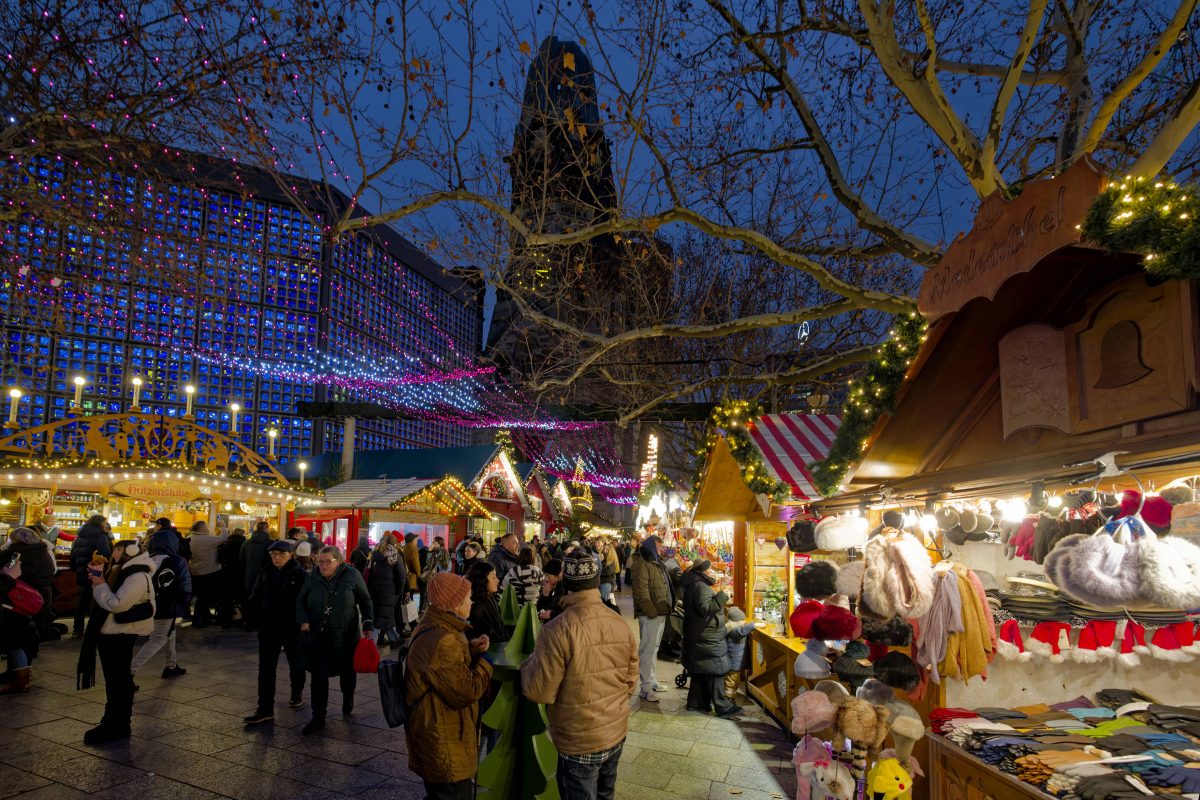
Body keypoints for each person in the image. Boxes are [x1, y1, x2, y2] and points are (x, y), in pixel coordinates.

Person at [522, 551, 639, 800]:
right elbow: (631, 676)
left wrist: (528, 664)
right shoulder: (618, 621)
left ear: (567, 584)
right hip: (615, 731)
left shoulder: (557, 629)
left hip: (578, 740)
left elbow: (538, 690)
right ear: (596, 582)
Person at [405, 572, 492, 800]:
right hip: (443, 735)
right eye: (467, 598)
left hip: (435, 727)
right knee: (453, 793)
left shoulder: (435, 625)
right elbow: (466, 691)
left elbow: (441, 669)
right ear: (454, 603)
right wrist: (485, 664)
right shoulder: (444, 639)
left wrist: (470, 651)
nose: (471, 602)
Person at [78, 539, 156, 743]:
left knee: (118, 681)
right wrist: (99, 578)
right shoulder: (120, 570)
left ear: (132, 551)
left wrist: (99, 583)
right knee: (117, 680)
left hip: (121, 632)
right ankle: (116, 722)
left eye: (120, 549)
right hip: (113, 631)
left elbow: (117, 604)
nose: (115, 553)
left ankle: (116, 724)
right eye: (115, 549)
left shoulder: (137, 576)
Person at [296, 545, 373, 735]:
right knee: (318, 676)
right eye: (319, 561)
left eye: (327, 562)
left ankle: (348, 699)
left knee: (348, 673)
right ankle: (318, 717)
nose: (322, 565)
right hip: (320, 636)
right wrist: (303, 619)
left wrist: (368, 623)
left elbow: (365, 600)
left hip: (346, 636)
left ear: (338, 562)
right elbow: (300, 601)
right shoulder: (312, 577)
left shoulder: (352, 575)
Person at [244, 540, 307, 724]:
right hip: (268, 627)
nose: (277, 558)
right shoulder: (265, 573)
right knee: (265, 669)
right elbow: (254, 597)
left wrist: (303, 622)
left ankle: (297, 692)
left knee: (296, 663)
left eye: (281, 554)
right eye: (274, 555)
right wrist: (254, 619)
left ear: (290, 555)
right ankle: (265, 709)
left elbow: (305, 600)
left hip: (292, 628)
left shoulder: (299, 574)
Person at [130, 526, 192, 684]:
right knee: (158, 638)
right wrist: (184, 604)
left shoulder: (146, 559)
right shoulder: (177, 561)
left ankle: (171, 665)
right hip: (166, 606)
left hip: (146, 604)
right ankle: (129, 672)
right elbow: (185, 586)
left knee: (168, 634)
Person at [680, 560, 738, 718]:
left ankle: (696, 703)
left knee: (700, 669)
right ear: (703, 572)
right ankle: (722, 705)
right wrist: (722, 596)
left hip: (699, 631)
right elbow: (705, 608)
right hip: (707, 633)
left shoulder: (693, 583)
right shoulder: (701, 586)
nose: (712, 571)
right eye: (709, 569)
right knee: (716, 669)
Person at [629, 534, 673, 701]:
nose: (661, 549)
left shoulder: (655, 562)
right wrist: (652, 612)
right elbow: (641, 592)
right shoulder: (642, 564)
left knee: (653, 648)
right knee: (647, 650)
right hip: (650, 615)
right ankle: (645, 687)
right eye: (658, 547)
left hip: (659, 612)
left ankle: (652, 681)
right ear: (651, 547)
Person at [1, 526, 56, 638]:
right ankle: (43, 635)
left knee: (25, 617)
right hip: (44, 588)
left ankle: (31, 641)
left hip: (24, 589)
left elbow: (10, 568)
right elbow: (52, 569)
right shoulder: (43, 550)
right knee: (42, 614)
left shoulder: (14, 553)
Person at [0, 557, 40, 694]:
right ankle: (20, 679)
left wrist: (8, 575)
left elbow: (9, 574)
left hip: (12, 607)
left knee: (16, 645)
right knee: (17, 645)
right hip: (15, 606)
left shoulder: (12, 554)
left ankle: (20, 680)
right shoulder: (14, 555)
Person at [69, 514, 112, 637]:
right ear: (100, 524)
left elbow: (72, 558)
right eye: (105, 522)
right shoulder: (101, 537)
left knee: (82, 602)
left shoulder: (79, 537)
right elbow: (104, 555)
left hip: (81, 573)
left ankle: (77, 629)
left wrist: (78, 570)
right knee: (97, 602)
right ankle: (93, 629)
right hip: (96, 573)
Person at [365, 533, 408, 646]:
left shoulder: (374, 554)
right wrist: (399, 591)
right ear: (394, 543)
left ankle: (392, 638)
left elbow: (367, 572)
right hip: (390, 592)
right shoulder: (395, 556)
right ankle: (371, 644)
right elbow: (402, 576)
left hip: (374, 591)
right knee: (383, 616)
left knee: (381, 615)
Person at [187, 520, 227, 628]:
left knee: (200, 596)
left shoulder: (189, 538)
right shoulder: (205, 539)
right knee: (204, 597)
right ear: (200, 529)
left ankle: (204, 617)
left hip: (194, 571)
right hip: (207, 572)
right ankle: (198, 620)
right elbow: (223, 538)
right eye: (206, 527)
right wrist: (223, 527)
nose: (208, 529)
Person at [464, 561, 508, 645]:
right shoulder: (474, 606)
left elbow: (500, 626)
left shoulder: (490, 597)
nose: (498, 580)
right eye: (493, 577)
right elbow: (486, 634)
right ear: (482, 580)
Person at [723, 605, 761, 701]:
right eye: (742, 620)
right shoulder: (733, 629)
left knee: (734, 680)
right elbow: (741, 632)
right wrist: (753, 625)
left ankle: (731, 696)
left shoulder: (732, 626)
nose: (744, 622)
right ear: (735, 621)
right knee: (732, 681)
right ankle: (728, 698)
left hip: (734, 660)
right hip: (733, 660)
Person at [240, 521, 272, 631]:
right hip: (266, 577)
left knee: (250, 599)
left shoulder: (247, 542)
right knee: (263, 600)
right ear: (267, 529)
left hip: (249, 575)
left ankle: (249, 623)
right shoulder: (270, 543)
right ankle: (260, 623)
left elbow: (241, 559)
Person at [217, 527, 246, 627]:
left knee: (226, 598)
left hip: (226, 573)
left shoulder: (225, 543)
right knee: (240, 597)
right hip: (240, 573)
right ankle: (240, 619)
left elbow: (220, 558)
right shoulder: (244, 543)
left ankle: (226, 620)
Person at [598, 539, 619, 606]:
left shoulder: (610, 561)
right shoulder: (605, 559)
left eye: (607, 550)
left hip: (606, 583)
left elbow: (607, 572)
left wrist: (599, 567)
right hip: (604, 583)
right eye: (604, 549)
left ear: (611, 551)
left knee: (605, 602)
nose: (604, 551)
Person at [402, 533, 421, 605]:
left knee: (405, 597)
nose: (416, 542)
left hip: (405, 576)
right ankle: (409, 615)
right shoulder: (413, 549)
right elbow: (415, 563)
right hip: (411, 576)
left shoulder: (405, 547)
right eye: (416, 540)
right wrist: (418, 573)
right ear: (412, 540)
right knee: (410, 598)